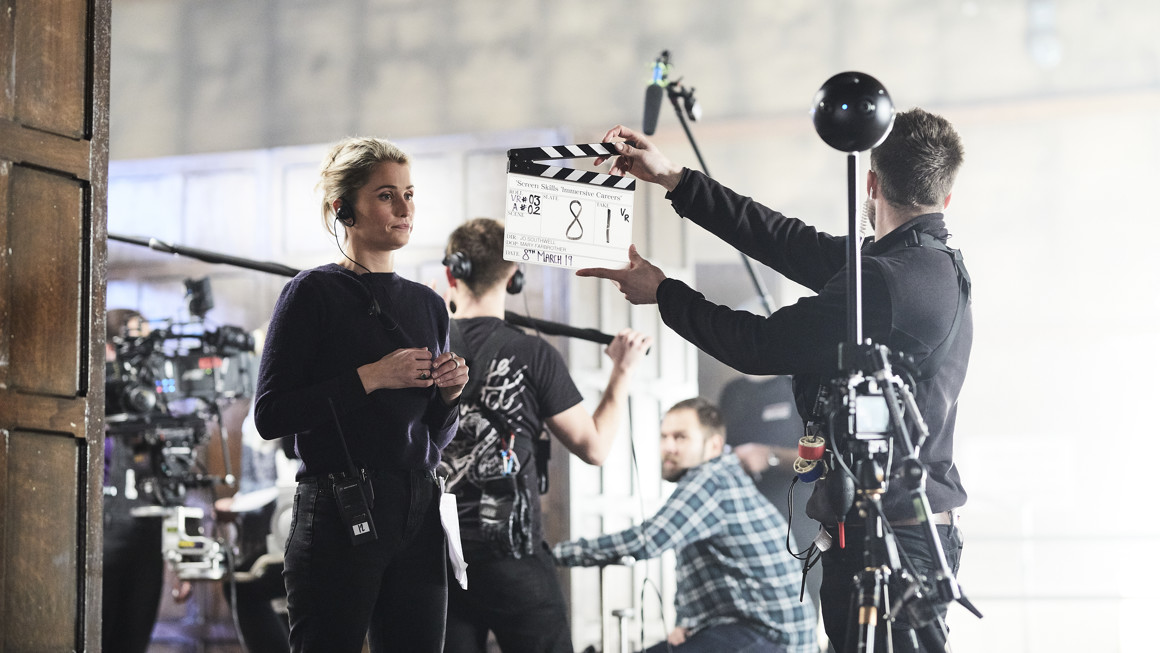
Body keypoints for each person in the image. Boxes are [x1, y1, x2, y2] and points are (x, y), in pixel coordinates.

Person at [577, 109, 970, 652]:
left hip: (895, 541)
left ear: (871, 183)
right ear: (945, 197)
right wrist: (673, 178)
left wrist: (664, 292)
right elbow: (783, 239)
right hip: (880, 531)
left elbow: (761, 346)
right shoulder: (911, 265)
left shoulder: (891, 282)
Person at [253, 136, 469, 653]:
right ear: (343, 208)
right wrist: (370, 377)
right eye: (386, 195)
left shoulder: (429, 306)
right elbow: (271, 415)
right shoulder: (312, 292)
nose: (404, 208)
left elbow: (436, 439)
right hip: (339, 506)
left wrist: (449, 397)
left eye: (410, 194)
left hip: (420, 507)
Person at [438, 217, 652, 653]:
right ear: (515, 278)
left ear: (451, 272)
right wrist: (622, 373)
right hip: (512, 556)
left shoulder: (427, 350)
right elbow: (594, 447)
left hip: (440, 560)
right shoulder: (533, 353)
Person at [553, 398, 817, 653]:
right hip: (752, 632)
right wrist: (687, 622)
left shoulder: (712, 480)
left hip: (769, 638)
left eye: (680, 437)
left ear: (714, 445)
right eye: (664, 436)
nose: (669, 446)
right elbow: (700, 571)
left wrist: (554, 554)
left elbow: (649, 539)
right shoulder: (718, 478)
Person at [719, 374, 820, 610]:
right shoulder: (733, 392)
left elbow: (819, 462)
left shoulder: (798, 387)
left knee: (800, 603)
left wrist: (770, 456)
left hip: (796, 520)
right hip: (742, 520)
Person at [103, 308, 168, 653]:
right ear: (111, 347)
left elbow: (172, 474)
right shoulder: (95, 392)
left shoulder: (155, 398)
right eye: (132, 344)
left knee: (134, 639)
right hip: (104, 532)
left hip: (148, 535)